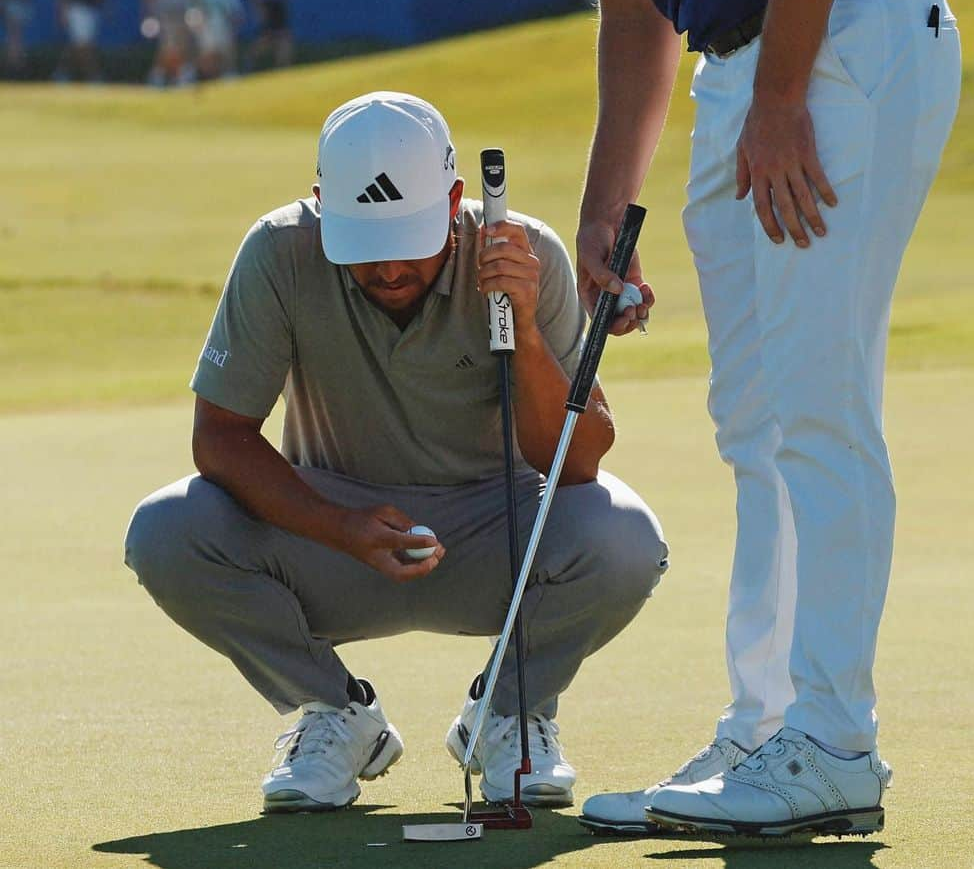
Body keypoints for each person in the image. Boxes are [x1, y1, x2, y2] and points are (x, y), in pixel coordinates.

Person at [339, 0, 962, 839]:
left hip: (846, 36)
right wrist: (603, 222)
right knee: (751, 418)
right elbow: (636, 13)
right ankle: (768, 724)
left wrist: (785, 90)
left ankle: (834, 738)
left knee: (814, 404)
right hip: (751, 63)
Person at [124, 91, 667, 815]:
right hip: (334, 536)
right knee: (165, 530)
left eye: (407, 238)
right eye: (363, 243)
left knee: (626, 537)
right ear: (322, 203)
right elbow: (218, 437)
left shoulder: (526, 252)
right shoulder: (279, 251)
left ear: (454, 200)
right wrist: (338, 526)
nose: (386, 268)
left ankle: (508, 716)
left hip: (497, 531)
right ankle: (334, 715)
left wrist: (527, 330)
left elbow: (578, 460)